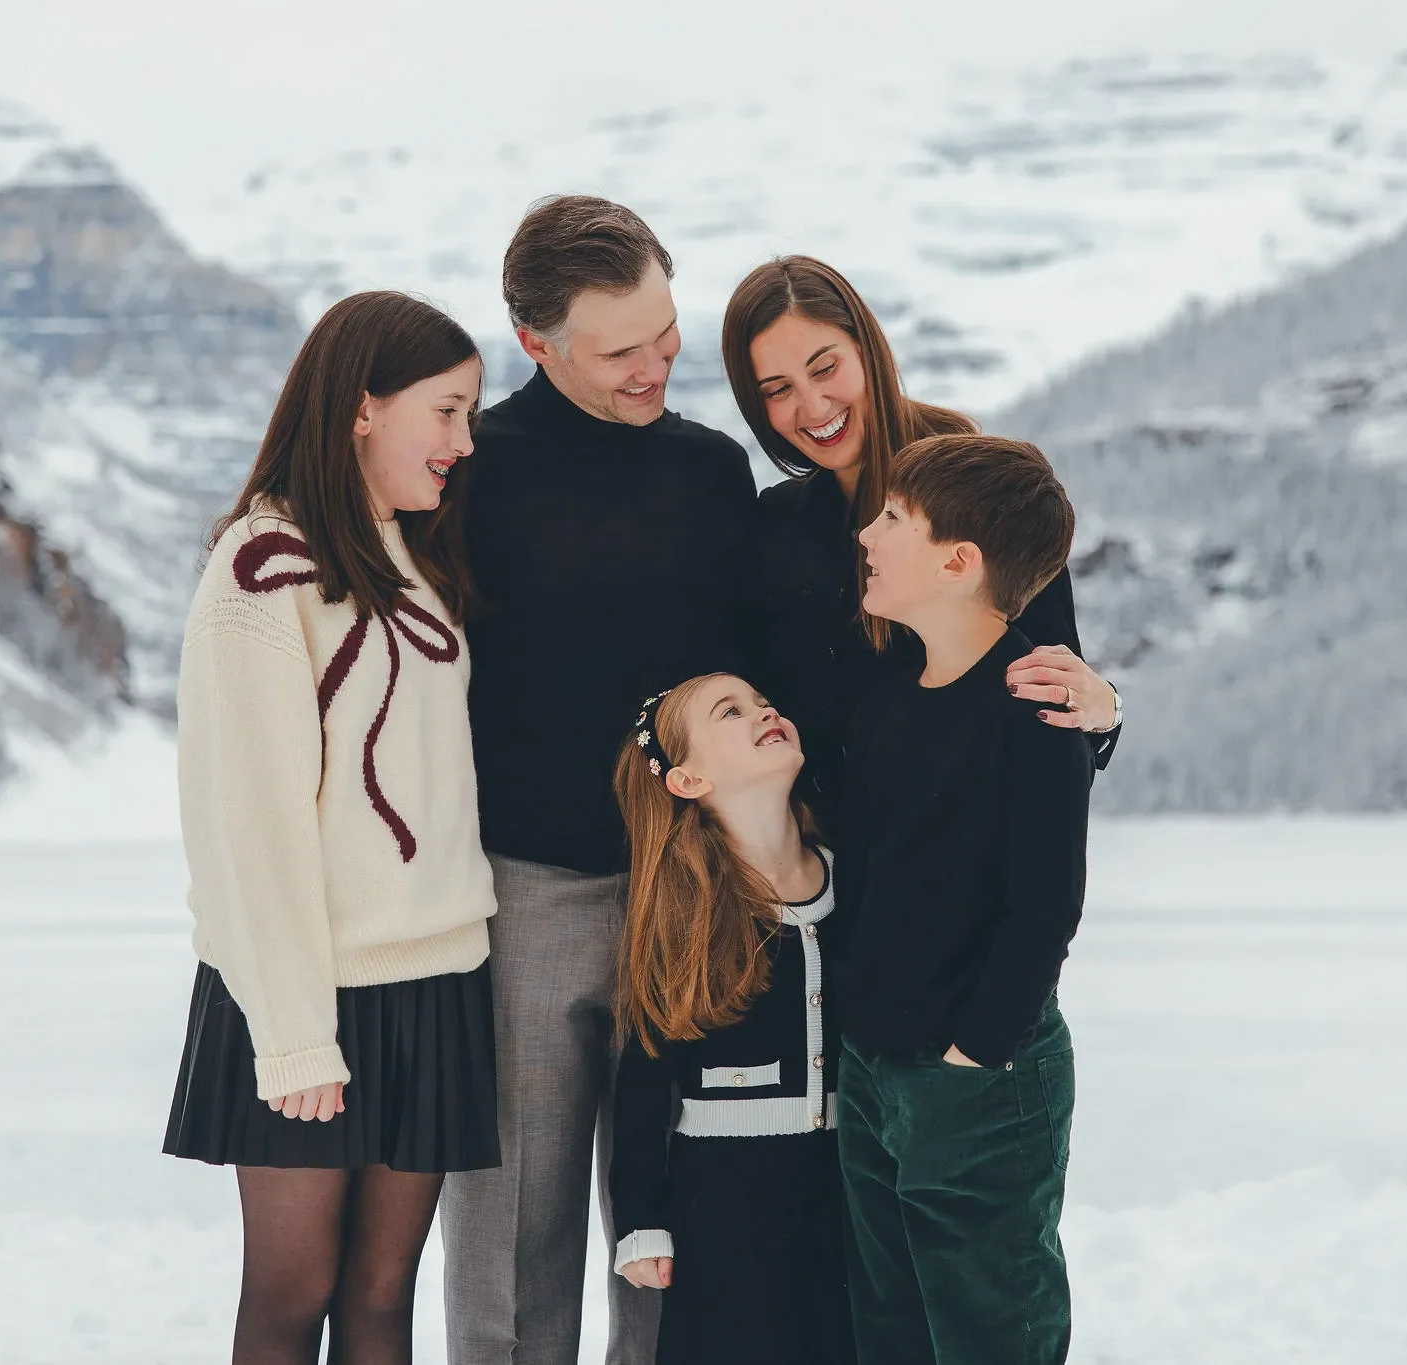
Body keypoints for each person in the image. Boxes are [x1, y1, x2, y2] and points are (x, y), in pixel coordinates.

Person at [440, 197, 758, 1365]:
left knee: (676, 1218)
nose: (653, 366)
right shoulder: (472, 471)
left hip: (690, 886)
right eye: (617, 349)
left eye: (665, 333)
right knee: (513, 1218)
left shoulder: (714, 471)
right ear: (534, 342)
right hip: (525, 889)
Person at [163, 291, 500, 1365]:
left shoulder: (411, 553)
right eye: (444, 412)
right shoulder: (264, 567)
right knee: (291, 1292)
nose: (462, 442)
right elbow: (246, 820)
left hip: (435, 978)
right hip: (304, 990)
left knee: (381, 1295)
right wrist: (295, 1031)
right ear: (363, 408)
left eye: (470, 416)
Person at [836, 433, 1093, 1365]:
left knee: (991, 1332)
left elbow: (1045, 905)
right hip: (873, 1063)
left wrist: (974, 1049)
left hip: (979, 1075)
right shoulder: (889, 701)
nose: (867, 532)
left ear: (958, 561)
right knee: (890, 1328)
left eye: (893, 517)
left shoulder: (1037, 705)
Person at [722, 255, 1121, 831]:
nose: (812, 407)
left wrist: (1105, 713)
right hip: (828, 886)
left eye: (825, 368)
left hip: (959, 876)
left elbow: (1060, 710)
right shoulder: (777, 525)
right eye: (778, 389)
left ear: (867, 349)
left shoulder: (982, 494)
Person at [607, 673, 857, 1365]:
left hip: (846, 1191)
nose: (765, 709)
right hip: (722, 1205)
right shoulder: (688, 910)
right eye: (731, 711)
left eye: (762, 700)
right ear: (687, 780)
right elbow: (641, 1084)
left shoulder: (856, 883)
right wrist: (642, 1220)